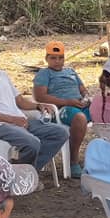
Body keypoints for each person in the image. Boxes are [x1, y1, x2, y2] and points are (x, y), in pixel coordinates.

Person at [0, 39, 68, 172]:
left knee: (60, 133)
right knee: (32, 143)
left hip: (20, 121)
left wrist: (38, 106)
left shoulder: (2, 75)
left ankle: (25, 171)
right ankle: (20, 173)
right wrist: (11, 119)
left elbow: (20, 101)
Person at [32, 40, 89, 176]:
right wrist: (67, 102)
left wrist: (86, 98)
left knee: (106, 111)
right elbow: (40, 96)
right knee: (80, 118)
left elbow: (83, 90)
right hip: (62, 109)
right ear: (46, 58)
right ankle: (73, 161)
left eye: (60, 58)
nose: (57, 61)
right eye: (53, 58)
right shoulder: (44, 73)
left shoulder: (71, 71)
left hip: (79, 104)